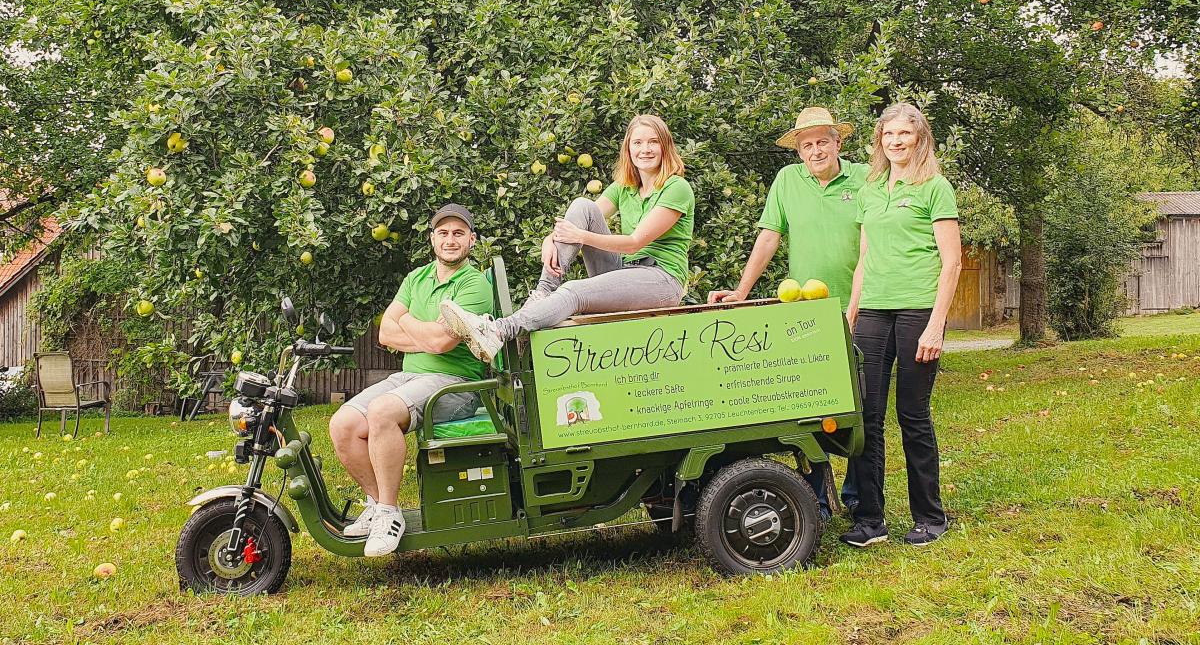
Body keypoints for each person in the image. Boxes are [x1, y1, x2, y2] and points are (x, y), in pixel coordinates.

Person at [708, 106, 868, 518]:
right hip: (806, 314)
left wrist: (855, 306)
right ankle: (816, 500)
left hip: (862, 305)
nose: (815, 151)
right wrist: (742, 291)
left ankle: (857, 495)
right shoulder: (786, 181)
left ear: (839, 142)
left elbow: (875, 243)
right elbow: (768, 237)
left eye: (822, 141)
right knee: (809, 407)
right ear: (798, 150)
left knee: (860, 405)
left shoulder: (866, 179)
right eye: (806, 144)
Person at [440, 114, 694, 361]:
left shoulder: (676, 188)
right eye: (637, 143)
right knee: (583, 205)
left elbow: (635, 243)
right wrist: (551, 238)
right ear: (628, 150)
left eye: (653, 142)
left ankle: (499, 331)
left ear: (665, 147)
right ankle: (543, 292)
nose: (645, 149)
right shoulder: (624, 187)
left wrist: (581, 236)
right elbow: (584, 218)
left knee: (574, 291)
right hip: (625, 272)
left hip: (661, 280)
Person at [328, 204, 493, 557]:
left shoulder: (475, 284)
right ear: (432, 239)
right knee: (343, 423)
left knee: (383, 412)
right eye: (444, 233)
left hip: (454, 382)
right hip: (409, 375)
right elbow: (385, 333)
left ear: (472, 240)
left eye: (459, 233)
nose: (451, 240)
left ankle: (389, 513)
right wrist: (422, 330)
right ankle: (375, 504)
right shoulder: (416, 278)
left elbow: (440, 343)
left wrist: (408, 323)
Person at [842, 103, 962, 548]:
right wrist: (851, 314)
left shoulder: (935, 187)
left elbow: (952, 263)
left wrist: (936, 326)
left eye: (904, 135)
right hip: (873, 311)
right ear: (880, 141)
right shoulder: (871, 189)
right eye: (888, 135)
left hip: (917, 311)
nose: (895, 142)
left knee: (912, 415)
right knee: (867, 416)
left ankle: (930, 518)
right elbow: (864, 258)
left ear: (920, 139)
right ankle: (871, 521)